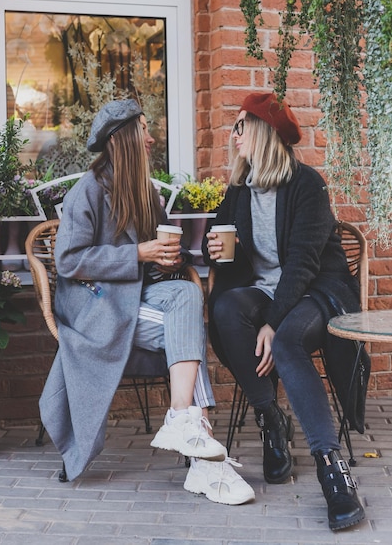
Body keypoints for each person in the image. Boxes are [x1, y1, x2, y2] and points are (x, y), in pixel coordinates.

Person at [39, 98, 254, 506]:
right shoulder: (87, 190)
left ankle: (186, 426)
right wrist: (139, 254)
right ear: (122, 139)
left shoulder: (145, 192)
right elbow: (68, 260)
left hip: (135, 301)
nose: (152, 138)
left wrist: (173, 257)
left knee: (187, 298)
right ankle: (203, 459)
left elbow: (154, 260)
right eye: (144, 130)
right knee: (187, 322)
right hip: (95, 308)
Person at [202, 92, 366, 530]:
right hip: (265, 290)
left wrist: (274, 323)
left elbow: (303, 264)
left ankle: (332, 469)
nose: (233, 134)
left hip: (317, 291)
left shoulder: (306, 185)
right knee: (226, 308)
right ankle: (271, 418)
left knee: (290, 341)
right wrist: (214, 250)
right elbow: (218, 242)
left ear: (259, 131)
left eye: (240, 125)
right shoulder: (239, 190)